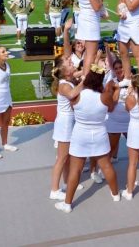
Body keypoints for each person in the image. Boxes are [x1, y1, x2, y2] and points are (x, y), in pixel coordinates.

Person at [55, 65, 120, 213]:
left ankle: (67, 204)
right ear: (100, 80)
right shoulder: (104, 96)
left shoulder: (77, 96)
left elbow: (73, 106)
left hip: (80, 134)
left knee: (75, 170)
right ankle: (116, 194)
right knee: (107, 166)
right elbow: (111, 108)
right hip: (99, 134)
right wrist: (115, 92)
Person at [50, 55, 85, 200]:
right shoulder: (64, 85)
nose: (72, 63)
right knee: (62, 157)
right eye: (69, 63)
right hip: (65, 123)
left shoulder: (68, 79)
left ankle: (66, 181)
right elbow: (72, 94)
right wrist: (85, 82)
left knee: (68, 157)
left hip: (69, 121)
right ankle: (54, 190)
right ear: (65, 72)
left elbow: (79, 73)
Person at [74, 0, 102, 77]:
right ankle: (85, 80)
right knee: (91, 54)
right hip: (89, 21)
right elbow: (96, 7)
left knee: (90, 53)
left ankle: (85, 78)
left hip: (88, 19)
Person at [0, 46, 18, 159]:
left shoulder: (8, 65)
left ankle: (5, 144)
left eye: (6, 50)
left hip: (7, 97)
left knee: (5, 122)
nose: (6, 53)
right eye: (3, 52)